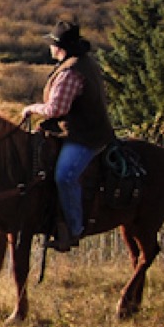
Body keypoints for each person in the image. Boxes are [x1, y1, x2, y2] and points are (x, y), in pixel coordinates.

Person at [21, 21, 115, 251]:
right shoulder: (80, 63)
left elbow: (56, 110)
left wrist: (31, 108)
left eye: (52, 44)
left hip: (85, 136)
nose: (50, 48)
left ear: (59, 47)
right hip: (75, 131)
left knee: (65, 175)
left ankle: (74, 229)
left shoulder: (71, 72)